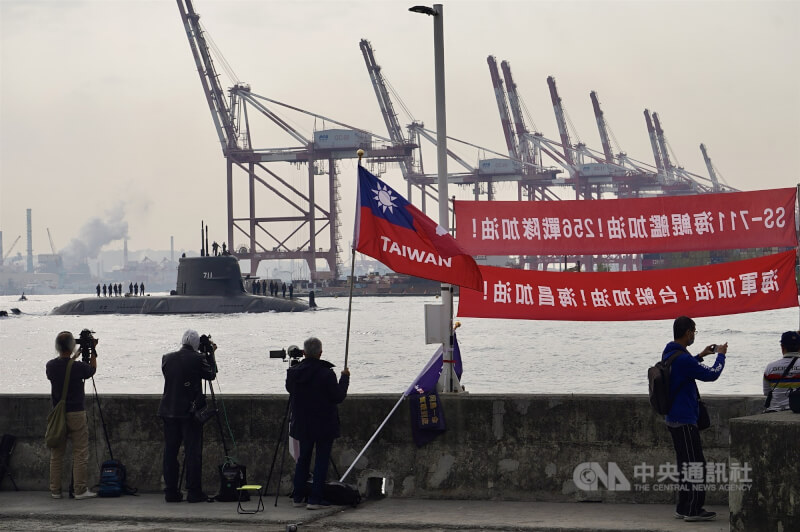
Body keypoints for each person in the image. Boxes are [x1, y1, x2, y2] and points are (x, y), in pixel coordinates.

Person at [662, 316, 727, 522]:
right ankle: (693, 509)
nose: (694, 335)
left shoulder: (670, 353)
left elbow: (685, 369)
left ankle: (683, 506)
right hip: (685, 420)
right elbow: (711, 375)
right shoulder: (682, 358)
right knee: (696, 464)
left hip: (673, 418)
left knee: (685, 464)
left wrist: (701, 355)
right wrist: (721, 357)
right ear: (688, 332)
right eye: (694, 332)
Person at [285, 337, 349, 510]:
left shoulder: (293, 372)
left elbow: (290, 389)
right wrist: (345, 379)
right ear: (320, 353)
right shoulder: (327, 373)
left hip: (302, 424)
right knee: (321, 460)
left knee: (302, 460)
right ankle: (315, 499)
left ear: (304, 353)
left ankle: (298, 497)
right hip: (324, 425)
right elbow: (338, 397)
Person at [157, 329, 217, 503]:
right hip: (190, 413)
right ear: (196, 344)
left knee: (170, 452)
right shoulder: (199, 359)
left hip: (168, 411)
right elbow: (211, 375)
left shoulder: (166, 358)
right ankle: (194, 491)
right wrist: (211, 354)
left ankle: (171, 491)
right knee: (192, 453)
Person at [46, 331, 98, 500]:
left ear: (57, 347)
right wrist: (93, 351)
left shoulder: (50, 366)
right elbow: (91, 370)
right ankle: (80, 490)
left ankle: (55, 490)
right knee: (80, 452)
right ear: (71, 346)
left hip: (58, 415)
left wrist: (75, 355)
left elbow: (65, 367)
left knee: (57, 454)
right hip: (76, 413)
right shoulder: (78, 367)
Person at [763, 331, 800, 412]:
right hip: (796, 412)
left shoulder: (770, 367)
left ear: (782, 347)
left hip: (773, 411)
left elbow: (766, 392)